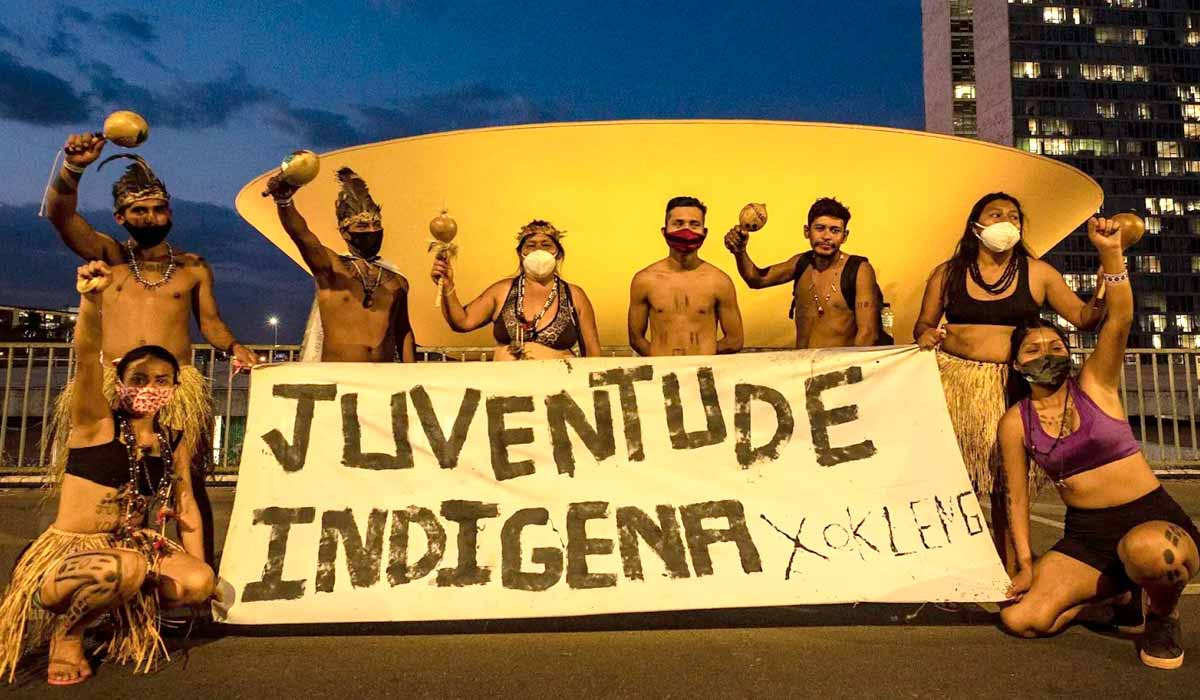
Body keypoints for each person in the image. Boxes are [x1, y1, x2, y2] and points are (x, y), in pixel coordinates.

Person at [43, 133, 258, 565]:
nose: (151, 216)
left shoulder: (193, 267)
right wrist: (73, 168)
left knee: (186, 485)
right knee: (109, 484)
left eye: (159, 208)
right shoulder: (109, 255)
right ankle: (109, 573)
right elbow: (59, 214)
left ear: (170, 212)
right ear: (121, 217)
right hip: (111, 384)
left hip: (176, 387)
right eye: (140, 210)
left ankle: (198, 579)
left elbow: (210, 323)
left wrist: (235, 346)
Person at [0, 262, 215, 685]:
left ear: (174, 387)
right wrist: (90, 299)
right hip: (73, 555)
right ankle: (68, 632)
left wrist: (199, 565)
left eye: (161, 379)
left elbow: (186, 506)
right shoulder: (94, 424)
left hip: (131, 545)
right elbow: (84, 355)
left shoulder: (172, 438)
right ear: (118, 381)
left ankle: (119, 610)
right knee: (128, 569)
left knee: (198, 581)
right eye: (138, 378)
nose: (149, 387)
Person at [999, 217, 1198, 670]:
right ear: (1015, 365)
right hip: (1087, 536)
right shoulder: (1016, 421)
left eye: (1056, 346)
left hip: (1149, 518)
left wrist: (1110, 253)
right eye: (1033, 350)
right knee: (1022, 619)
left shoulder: (1094, 384)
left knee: (1154, 555)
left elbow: (1121, 317)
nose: (1046, 354)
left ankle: (1162, 614)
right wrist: (1027, 564)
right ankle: (1114, 596)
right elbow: (1015, 496)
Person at [913, 192, 1106, 569]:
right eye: (996, 214)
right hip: (956, 386)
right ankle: (951, 568)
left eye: (1014, 216)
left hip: (1014, 388)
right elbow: (922, 323)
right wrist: (924, 334)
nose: (1006, 221)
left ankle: (1010, 567)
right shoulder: (947, 273)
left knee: (1006, 483)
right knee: (955, 481)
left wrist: (1103, 286)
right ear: (976, 226)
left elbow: (1085, 319)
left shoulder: (1039, 273)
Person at [265, 166, 415, 362]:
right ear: (345, 233)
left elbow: (403, 331)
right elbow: (301, 235)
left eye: (376, 225)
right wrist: (284, 202)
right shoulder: (331, 268)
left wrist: (412, 375)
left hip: (381, 380)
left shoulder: (397, 280)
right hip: (337, 379)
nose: (372, 230)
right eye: (362, 226)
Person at [724, 197, 885, 348]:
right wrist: (740, 251)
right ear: (807, 231)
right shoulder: (801, 263)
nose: (827, 236)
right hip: (802, 369)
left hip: (840, 370)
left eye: (835, 230)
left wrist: (849, 373)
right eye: (820, 228)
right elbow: (756, 279)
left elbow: (868, 334)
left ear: (845, 236)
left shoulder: (859, 270)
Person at [431, 220, 601, 360]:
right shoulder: (502, 291)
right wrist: (448, 286)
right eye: (531, 245)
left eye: (546, 245)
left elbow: (593, 353)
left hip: (558, 394)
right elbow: (462, 321)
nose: (538, 251)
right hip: (507, 393)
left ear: (558, 253)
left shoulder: (574, 295)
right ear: (520, 253)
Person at [629, 196, 743, 356]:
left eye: (694, 224)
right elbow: (635, 338)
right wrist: (660, 359)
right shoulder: (645, 280)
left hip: (703, 373)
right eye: (678, 223)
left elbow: (735, 340)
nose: (686, 230)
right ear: (664, 231)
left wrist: (701, 357)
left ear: (705, 232)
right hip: (661, 373)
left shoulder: (719, 282)